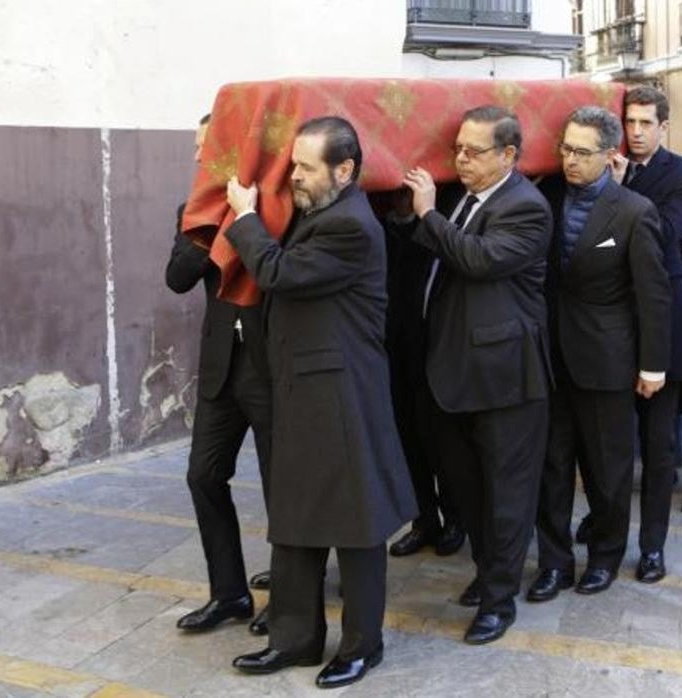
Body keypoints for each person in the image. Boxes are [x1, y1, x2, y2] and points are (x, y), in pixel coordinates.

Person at [226, 117, 417, 688]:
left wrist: (243, 217)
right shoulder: (320, 212)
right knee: (295, 519)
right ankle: (295, 639)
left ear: (345, 169)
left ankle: (363, 645)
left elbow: (276, 272)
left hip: (341, 394)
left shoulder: (351, 226)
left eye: (306, 167)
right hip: (304, 389)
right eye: (294, 164)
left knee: (357, 526)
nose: (294, 176)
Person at [400, 105, 553, 645]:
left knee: (506, 495)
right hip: (453, 372)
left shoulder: (525, 206)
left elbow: (477, 259)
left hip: (505, 377)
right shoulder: (465, 196)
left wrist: (426, 215)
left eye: (474, 151)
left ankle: (499, 601)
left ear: (509, 155)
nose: (461, 159)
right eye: (457, 149)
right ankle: (489, 574)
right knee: (468, 491)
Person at [529, 106, 671, 601]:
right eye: (565, 149)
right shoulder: (545, 197)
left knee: (607, 470)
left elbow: (653, 296)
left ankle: (605, 557)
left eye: (581, 152)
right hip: (550, 357)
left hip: (607, 359)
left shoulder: (634, 211)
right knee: (551, 467)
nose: (570, 160)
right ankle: (554, 562)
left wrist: (653, 365)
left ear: (609, 155)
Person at [573, 85, 682, 584]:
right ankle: (603, 521)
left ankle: (652, 546)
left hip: (662, 322)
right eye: (629, 122)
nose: (636, 131)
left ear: (664, 125)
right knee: (606, 443)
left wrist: (623, 191)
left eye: (646, 123)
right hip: (608, 327)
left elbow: (665, 231)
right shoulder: (603, 161)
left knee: (658, 447)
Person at [166, 113, 272, 637]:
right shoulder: (193, 212)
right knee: (204, 476)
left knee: (284, 487)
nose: (194, 158)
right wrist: (205, 229)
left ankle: (292, 593)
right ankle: (228, 593)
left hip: (271, 366)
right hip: (220, 369)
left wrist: (246, 218)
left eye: (202, 147)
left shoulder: (272, 206)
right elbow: (177, 279)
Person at [382, 194, 466, 561]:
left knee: (442, 441)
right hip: (391, 345)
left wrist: (420, 213)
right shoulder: (376, 214)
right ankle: (423, 520)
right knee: (406, 439)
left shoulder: (444, 211)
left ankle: (456, 519)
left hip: (435, 344)